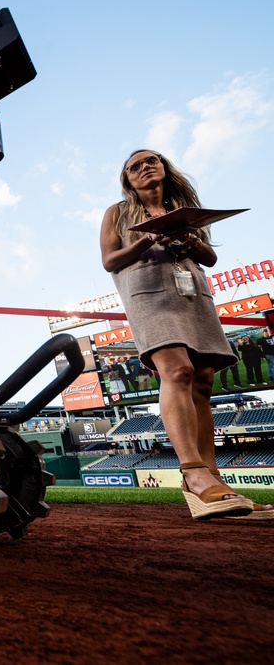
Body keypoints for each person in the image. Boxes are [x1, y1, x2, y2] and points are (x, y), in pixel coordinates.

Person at [99, 149, 270, 520]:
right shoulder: (118, 212)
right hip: (149, 296)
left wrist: (192, 241)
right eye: (135, 166)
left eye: (152, 161)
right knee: (177, 371)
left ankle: (214, 480)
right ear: (127, 179)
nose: (145, 167)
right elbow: (109, 261)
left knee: (204, 381)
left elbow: (209, 259)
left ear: (164, 168)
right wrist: (148, 239)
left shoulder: (184, 208)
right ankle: (193, 474)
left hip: (192, 294)